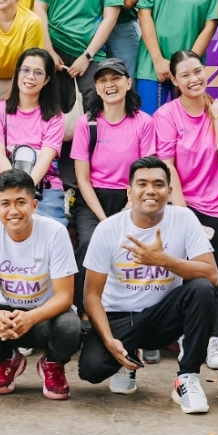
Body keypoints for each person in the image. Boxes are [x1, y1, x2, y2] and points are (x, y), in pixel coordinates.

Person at [80, 157, 218, 413]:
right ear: (129, 192)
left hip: (163, 314)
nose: (151, 190)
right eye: (142, 184)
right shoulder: (108, 229)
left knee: (201, 289)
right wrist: (109, 340)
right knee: (91, 369)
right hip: (119, 317)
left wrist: (163, 260)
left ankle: (187, 378)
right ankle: (125, 357)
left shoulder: (184, 219)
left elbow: (211, 275)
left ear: (170, 191)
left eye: (158, 184)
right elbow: (91, 295)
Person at [0, 169, 81, 399]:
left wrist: (33, 317)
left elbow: (65, 297)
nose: (13, 211)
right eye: (5, 203)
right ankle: (8, 360)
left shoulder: (55, 233)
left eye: (21, 202)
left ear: (34, 205)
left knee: (69, 328)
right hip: (7, 316)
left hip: (45, 316)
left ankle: (52, 364)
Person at [153, 49, 218, 367]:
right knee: (184, 274)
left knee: (217, 275)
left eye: (198, 71)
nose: (194, 79)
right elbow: (168, 166)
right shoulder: (167, 115)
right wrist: (184, 214)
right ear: (174, 80)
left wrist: (217, 117)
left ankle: (215, 339)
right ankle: (188, 334)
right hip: (182, 205)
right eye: (185, 74)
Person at [69, 59, 155, 300]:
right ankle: (83, 310)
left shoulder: (144, 122)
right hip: (94, 198)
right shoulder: (86, 123)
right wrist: (105, 220)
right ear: (96, 88)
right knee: (89, 242)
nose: (110, 84)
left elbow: (146, 174)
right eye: (103, 80)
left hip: (131, 199)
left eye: (115, 78)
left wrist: (128, 209)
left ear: (128, 83)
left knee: (132, 246)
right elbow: (82, 179)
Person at [0, 48, 67, 224]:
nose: (30, 76)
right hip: (6, 188)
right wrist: (16, 194)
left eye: (38, 72)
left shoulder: (55, 117)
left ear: (46, 80)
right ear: (17, 73)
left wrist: (25, 194)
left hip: (45, 189)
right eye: (25, 70)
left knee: (48, 227)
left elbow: (45, 159)